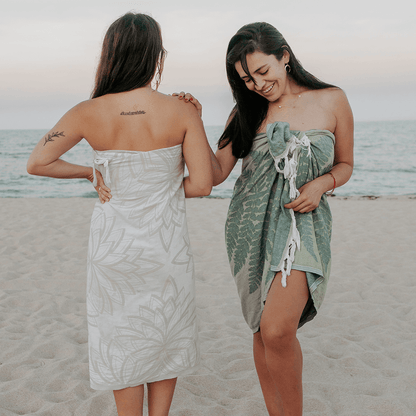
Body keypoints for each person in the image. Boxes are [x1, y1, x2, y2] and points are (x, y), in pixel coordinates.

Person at [27, 13, 213, 416]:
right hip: (166, 247)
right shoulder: (181, 111)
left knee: (121, 336)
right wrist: (161, 189)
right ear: (155, 57)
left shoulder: (87, 111)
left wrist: (90, 171)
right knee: (166, 331)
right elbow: (201, 184)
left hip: (114, 247)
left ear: (110, 55)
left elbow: (37, 163)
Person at [176, 22, 353, 415]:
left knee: (277, 328)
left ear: (284, 56)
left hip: (303, 224)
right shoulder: (246, 111)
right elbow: (216, 173)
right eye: (246, 79)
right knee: (262, 328)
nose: (257, 84)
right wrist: (195, 120)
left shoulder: (332, 100)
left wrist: (321, 184)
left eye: (262, 71)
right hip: (248, 226)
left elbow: (345, 165)